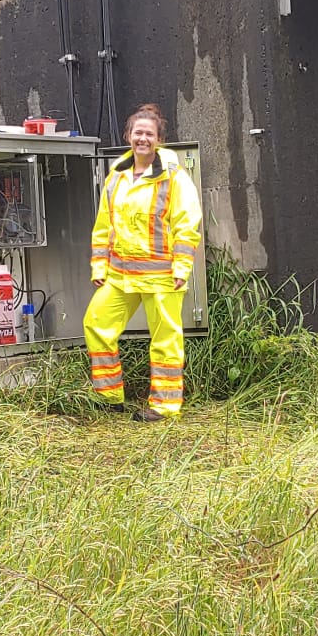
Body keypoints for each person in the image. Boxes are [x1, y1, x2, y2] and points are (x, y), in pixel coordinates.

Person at [83, 104, 202, 421]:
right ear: (128, 136)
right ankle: (109, 397)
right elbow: (103, 226)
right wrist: (100, 267)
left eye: (149, 134)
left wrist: (181, 269)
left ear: (159, 139)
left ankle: (164, 406)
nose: (143, 139)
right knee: (96, 324)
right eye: (138, 133)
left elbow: (187, 225)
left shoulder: (174, 178)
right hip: (121, 275)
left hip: (163, 276)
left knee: (165, 340)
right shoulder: (117, 177)